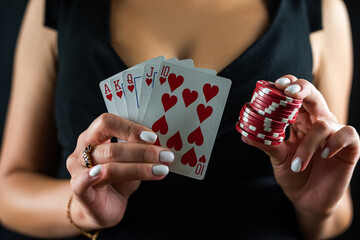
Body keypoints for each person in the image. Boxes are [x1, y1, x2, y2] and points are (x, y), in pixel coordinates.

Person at [0, 0, 359, 239]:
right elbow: (7, 190)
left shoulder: (321, 10)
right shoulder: (53, 6)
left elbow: (335, 215)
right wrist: (78, 208)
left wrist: (317, 208)